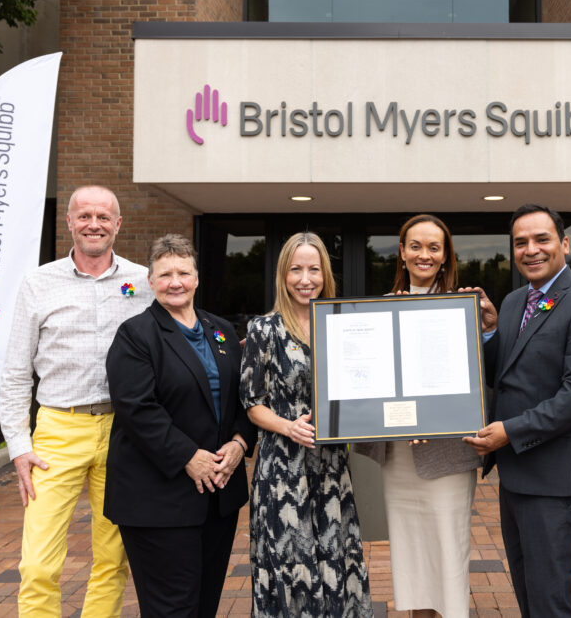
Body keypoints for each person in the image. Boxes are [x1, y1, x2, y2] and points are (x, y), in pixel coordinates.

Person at [0, 185, 152, 616]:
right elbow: (15, 372)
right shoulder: (38, 283)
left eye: (103, 217)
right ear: (69, 222)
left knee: (113, 558)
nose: (94, 224)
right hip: (57, 430)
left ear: (118, 224)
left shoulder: (143, 281)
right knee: (38, 563)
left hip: (124, 431)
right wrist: (19, 447)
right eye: (85, 216)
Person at [464, 203, 571, 618]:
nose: (530, 250)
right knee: (529, 593)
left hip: (558, 479)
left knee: (551, 600)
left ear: (564, 244)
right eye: (520, 242)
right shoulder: (516, 301)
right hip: (518, 475)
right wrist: (490, 332)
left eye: (541, 239)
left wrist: (510, 432)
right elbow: (505, 374)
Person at [104, 234, 256, 616]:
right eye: (165, 274)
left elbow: (246, 396)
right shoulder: (135, 335)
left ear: (197, 278)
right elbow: (137, 408)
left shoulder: (221, 330)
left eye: (183, 273)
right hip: (159, 501)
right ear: (150, 281)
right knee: (172, 609)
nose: (176, 282)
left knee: (204, 605)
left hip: (218, 497)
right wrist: (189, 456)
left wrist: (240, 442)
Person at [240, 232, 373, 617]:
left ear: (325, 274)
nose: (305, 279)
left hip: (331, 467)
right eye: (295, 269)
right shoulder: (263, 329)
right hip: (283, 469)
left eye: (313, 269)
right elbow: (252, 402)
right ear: (283, 275)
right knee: (290, 565)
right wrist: (287, 426)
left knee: (336, 559)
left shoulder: (343, 324)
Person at [355, 214, 481, 618]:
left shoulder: (464, 308)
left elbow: (476, 381)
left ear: (445, 256)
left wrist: (487, 329)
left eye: (433, 247)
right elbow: (371, 384)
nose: (423, 254)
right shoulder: (380, 309)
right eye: (415, 246)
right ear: (402, 252)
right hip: (400, 456)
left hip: (447, 456)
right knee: (410, 554)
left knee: (447, 548)